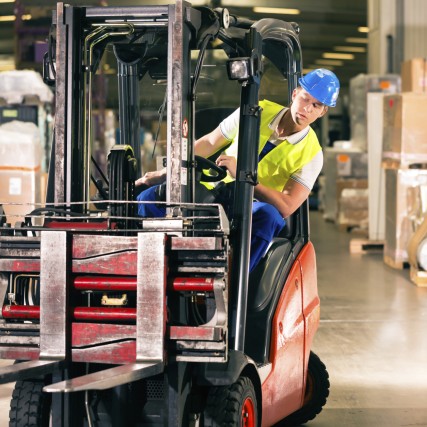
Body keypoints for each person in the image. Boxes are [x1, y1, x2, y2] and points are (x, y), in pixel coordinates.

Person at [136, 68, 340, 271]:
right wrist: (169, 172)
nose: (307, 109)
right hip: (211, 192)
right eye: (305, 99)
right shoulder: (255, 111)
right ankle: (156, 271)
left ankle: (233, 283)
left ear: (323, 111)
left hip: (249, 205)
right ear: (295, 94)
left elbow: (287, 205)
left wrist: (245, 175)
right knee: (148, 198)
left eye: (316, 105)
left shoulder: (313, 154)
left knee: (268, 217)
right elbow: (209, 142)